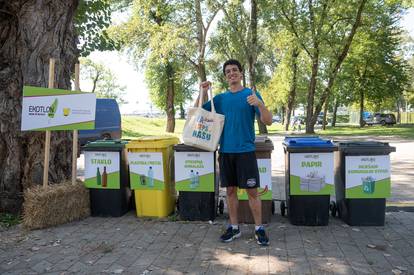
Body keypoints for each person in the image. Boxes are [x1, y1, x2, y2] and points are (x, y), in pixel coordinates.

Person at [200, 59, 273, 246]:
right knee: (230, 192)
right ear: (226, 77)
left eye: (234, 70)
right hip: (225, 152)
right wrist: (203, 92)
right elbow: (200, 112)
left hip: (246, 152)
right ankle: (234, 227)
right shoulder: (221, 99)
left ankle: (259, 229)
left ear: (241, 74)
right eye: (228, 71)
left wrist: (260, 104)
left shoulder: (251, 95)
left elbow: (268, 120)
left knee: (252, 193)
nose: (231, 73)